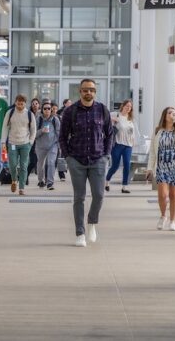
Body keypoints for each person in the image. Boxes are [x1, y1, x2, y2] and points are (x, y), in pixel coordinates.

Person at [59, 79, 113, 247]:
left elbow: (110, 134)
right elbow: (62, 136)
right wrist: (68, 156)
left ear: (95, 92)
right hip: (77, 160)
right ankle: (80, 233)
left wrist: (106, 155)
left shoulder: (102, 110)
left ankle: (92, 222)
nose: (88, 92)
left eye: (91, 90)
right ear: (80, 91)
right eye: (85, 90)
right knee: (79, 197)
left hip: (98, 159)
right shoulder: (70, 111)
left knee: (99, 195)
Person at [146, 107, 175, 231]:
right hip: (161, 167)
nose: (172, 114)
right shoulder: (157, 131)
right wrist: (149, 168)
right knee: (163, 195)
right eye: (169, 112)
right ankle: (163, 216)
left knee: (174, 195)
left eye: (173, 112)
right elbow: (153, 152)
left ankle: (172, 221)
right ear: (165, 116)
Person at [1, 94, 37, 195]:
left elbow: (33, 129)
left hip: (25, 143)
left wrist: (30, 142)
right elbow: (5, 127)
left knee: (24, 166)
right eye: (18, 103)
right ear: (15, 102)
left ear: (25, 104)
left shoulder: (30, 114)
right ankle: (13, 180)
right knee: (12, 164)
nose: (20, 105)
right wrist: (3, 142)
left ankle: (21, 188)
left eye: (22, 104)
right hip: (12, 142)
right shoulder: (10, 112)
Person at [105, 100, 138, 194]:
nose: (128, 108)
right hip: (117, 144)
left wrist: (133, 142)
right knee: (115, 166)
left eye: (130, 107)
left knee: (127, 166)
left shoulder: (131, 118)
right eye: (127, 106)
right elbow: (103, 118)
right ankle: (107, 181)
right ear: (122, 106)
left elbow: (133, 133)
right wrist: (112, 120)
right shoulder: (116, 115)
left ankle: (124, 187)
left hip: (128, 146)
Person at [34, 102, 60, 190]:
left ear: (51, 109)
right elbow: (34, 134)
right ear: (42, 109)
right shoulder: (38, 119)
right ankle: (41, 180)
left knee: (51, 162)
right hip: (40, 146)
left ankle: (50, 183)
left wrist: (59, 144)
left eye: (49, 108)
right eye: (45, 108)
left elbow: (59, 133)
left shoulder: (55, 119)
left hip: (53, 145)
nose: (47, 110)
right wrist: (42, 131)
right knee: (40, 164)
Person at [27, 98, 41, 180]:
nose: (35, 105)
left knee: (41, 161)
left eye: (36, 103)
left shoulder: (42, 115)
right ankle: (26, 176)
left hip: (40, 140)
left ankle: (42, 180)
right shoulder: (28, 114)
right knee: (33, 161)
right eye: (33, 104)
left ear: (39, 105)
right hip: (31, 140)